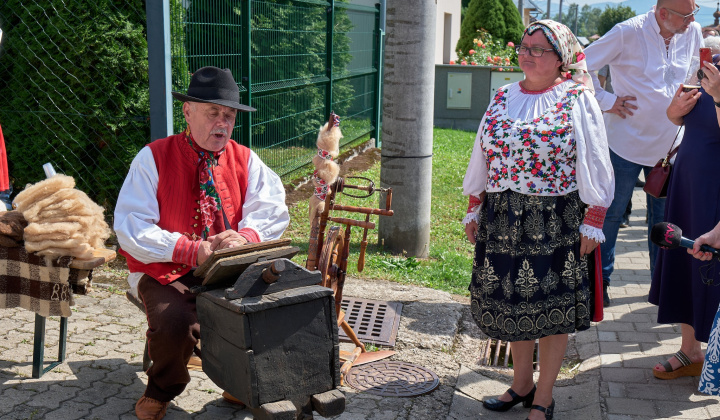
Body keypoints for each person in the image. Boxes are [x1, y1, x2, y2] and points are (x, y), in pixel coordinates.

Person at [114, 66, 290, 420]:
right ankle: (161, 389)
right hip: (165, 269)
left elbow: (272, 210)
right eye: (213, 113)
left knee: (268, 306)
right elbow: (130, 227)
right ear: (187, 111)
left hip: (230, 267)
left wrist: (245, 237)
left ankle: (242, 382)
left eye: (228, 115)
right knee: (175, 321)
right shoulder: (153, 157)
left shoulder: (245, 159)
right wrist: (190, 249)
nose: (222, 123)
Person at [462, 20, 614, 420]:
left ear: (561, 59)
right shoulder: (502, 96)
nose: (526, 55)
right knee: (513, 304)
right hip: (502, 216)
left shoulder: (576, 98)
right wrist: (474, 203)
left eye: (537, 49)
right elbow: (483, 152)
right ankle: (521, 384)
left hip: (555, 218)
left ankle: (544, 397)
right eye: (523, 47)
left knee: (550, 309)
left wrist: (594, 216)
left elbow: (595, 158)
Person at [584, 0, 703, 307]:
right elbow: (578, 65)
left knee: (665, 222)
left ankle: (661, 287)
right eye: (687, 15)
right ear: (662, 14)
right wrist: (607, 100)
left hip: (670, 147)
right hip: (622, 144)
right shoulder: (628, 32)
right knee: (609, 215)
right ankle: (601, 283)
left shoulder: (693, 31)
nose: (692, 20)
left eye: (694, 12)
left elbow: (694, 75)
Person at [648, 56, 720, 380]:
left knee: (710, 265)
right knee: (686, 262)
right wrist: (676, 110)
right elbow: (676, 119)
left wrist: (718, 96)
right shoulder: (709, 70)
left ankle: (713, 353)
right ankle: (690, 350)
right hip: (686, 186)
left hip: (714, 190)